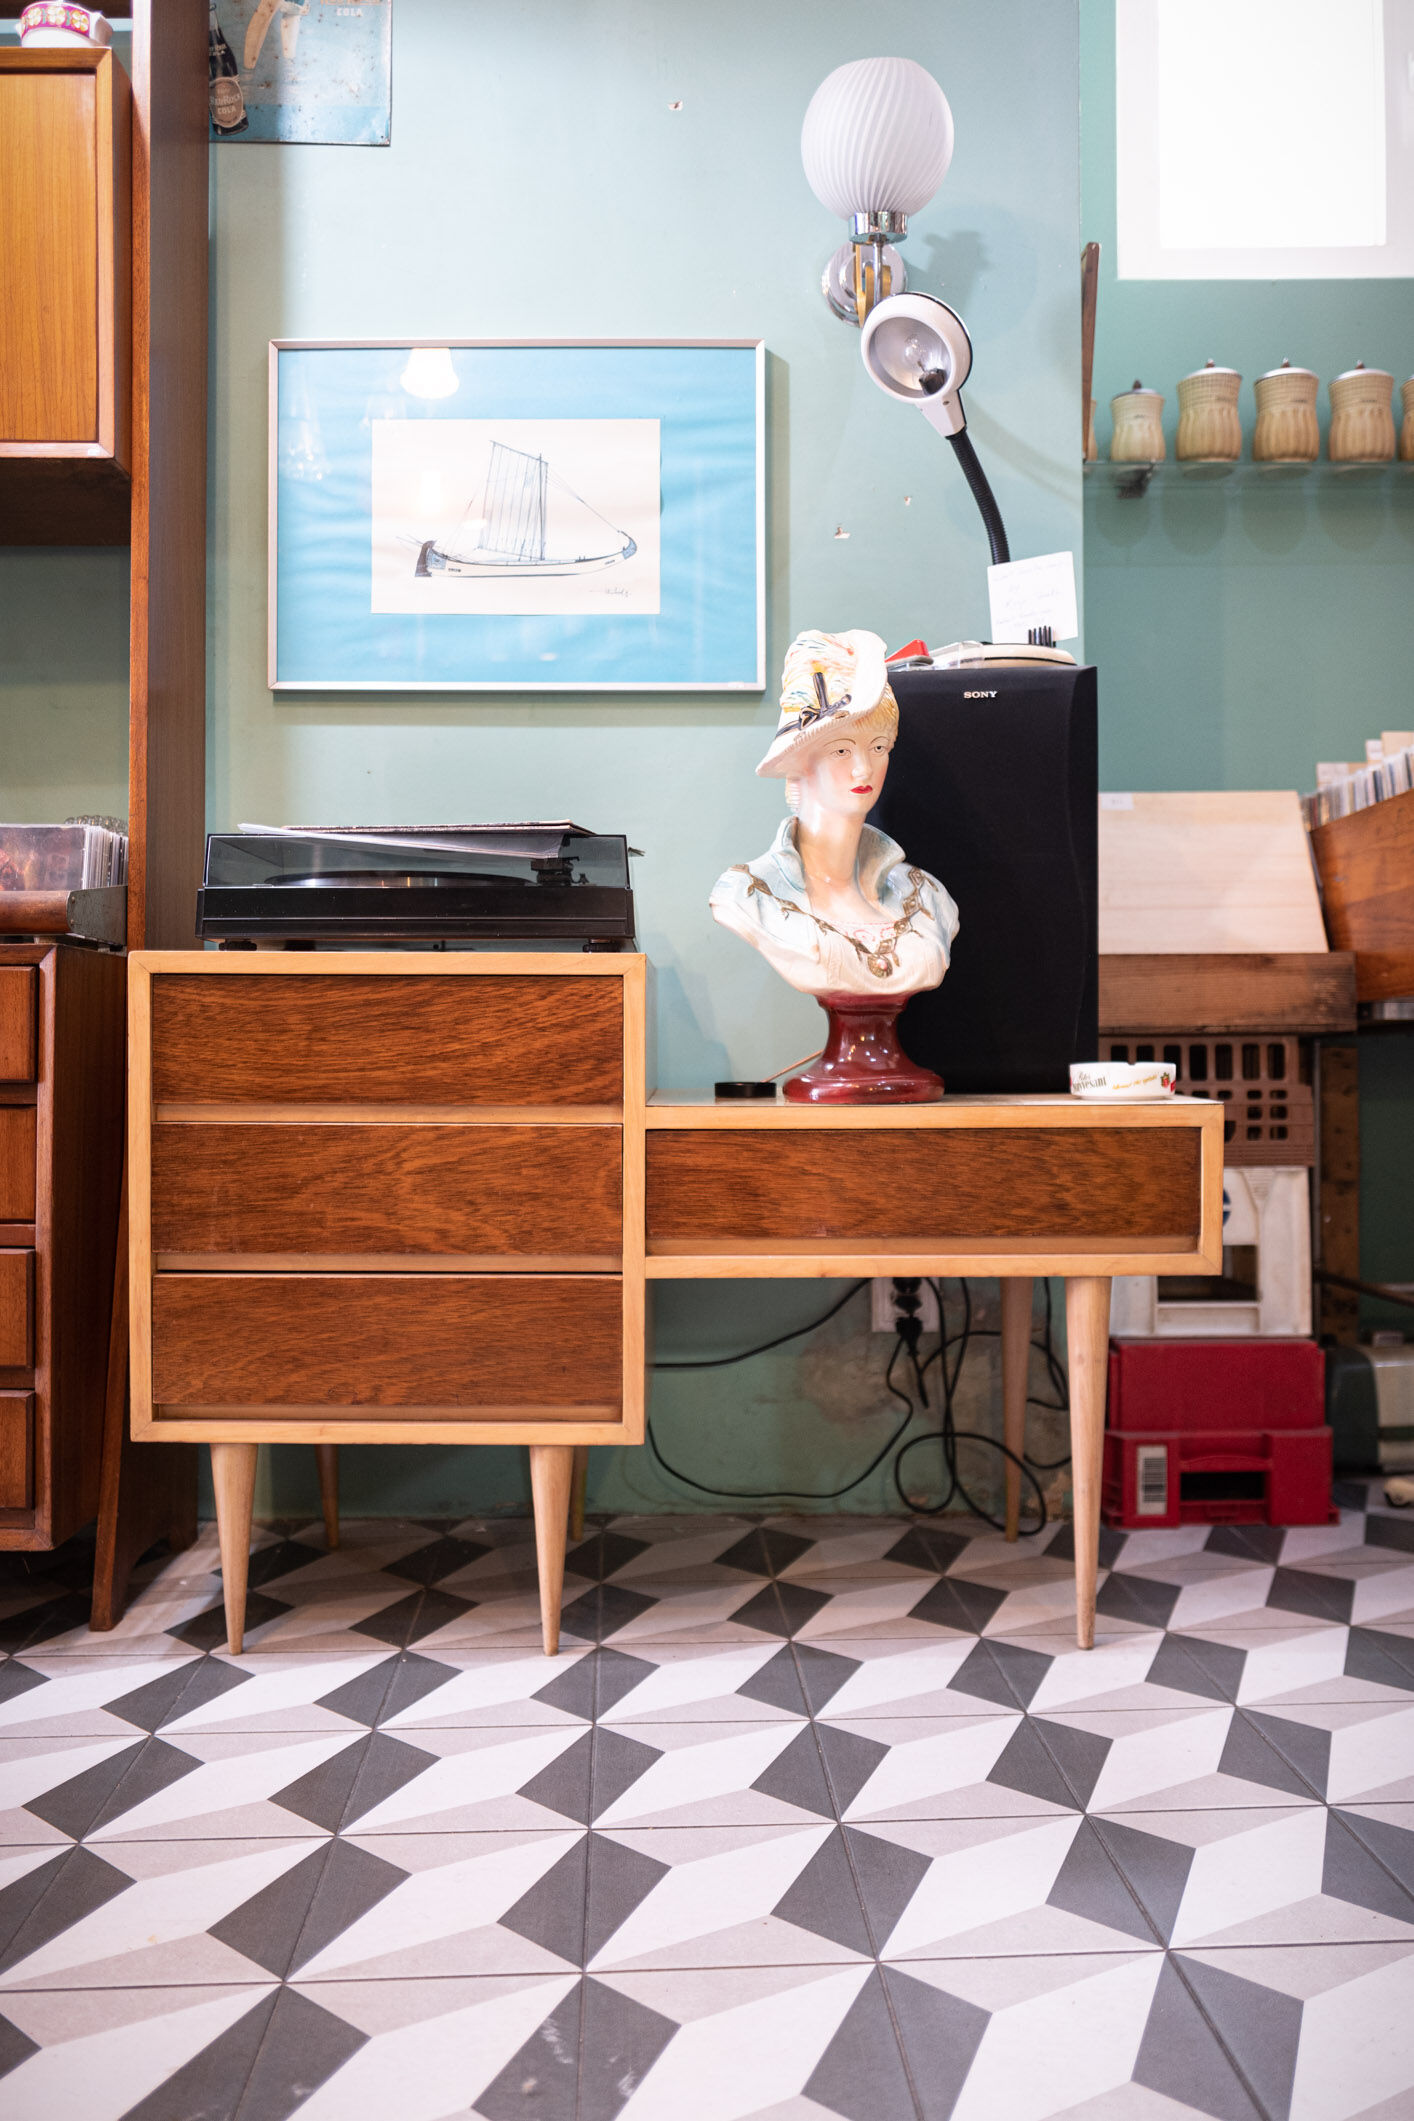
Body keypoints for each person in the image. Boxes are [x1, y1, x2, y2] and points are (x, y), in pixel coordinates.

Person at [710, 627, 958, 1000]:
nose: (863, 769)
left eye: (878, 747)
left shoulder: (925, 894)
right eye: (841, 750)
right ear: (799, 762)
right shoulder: (748, 893)